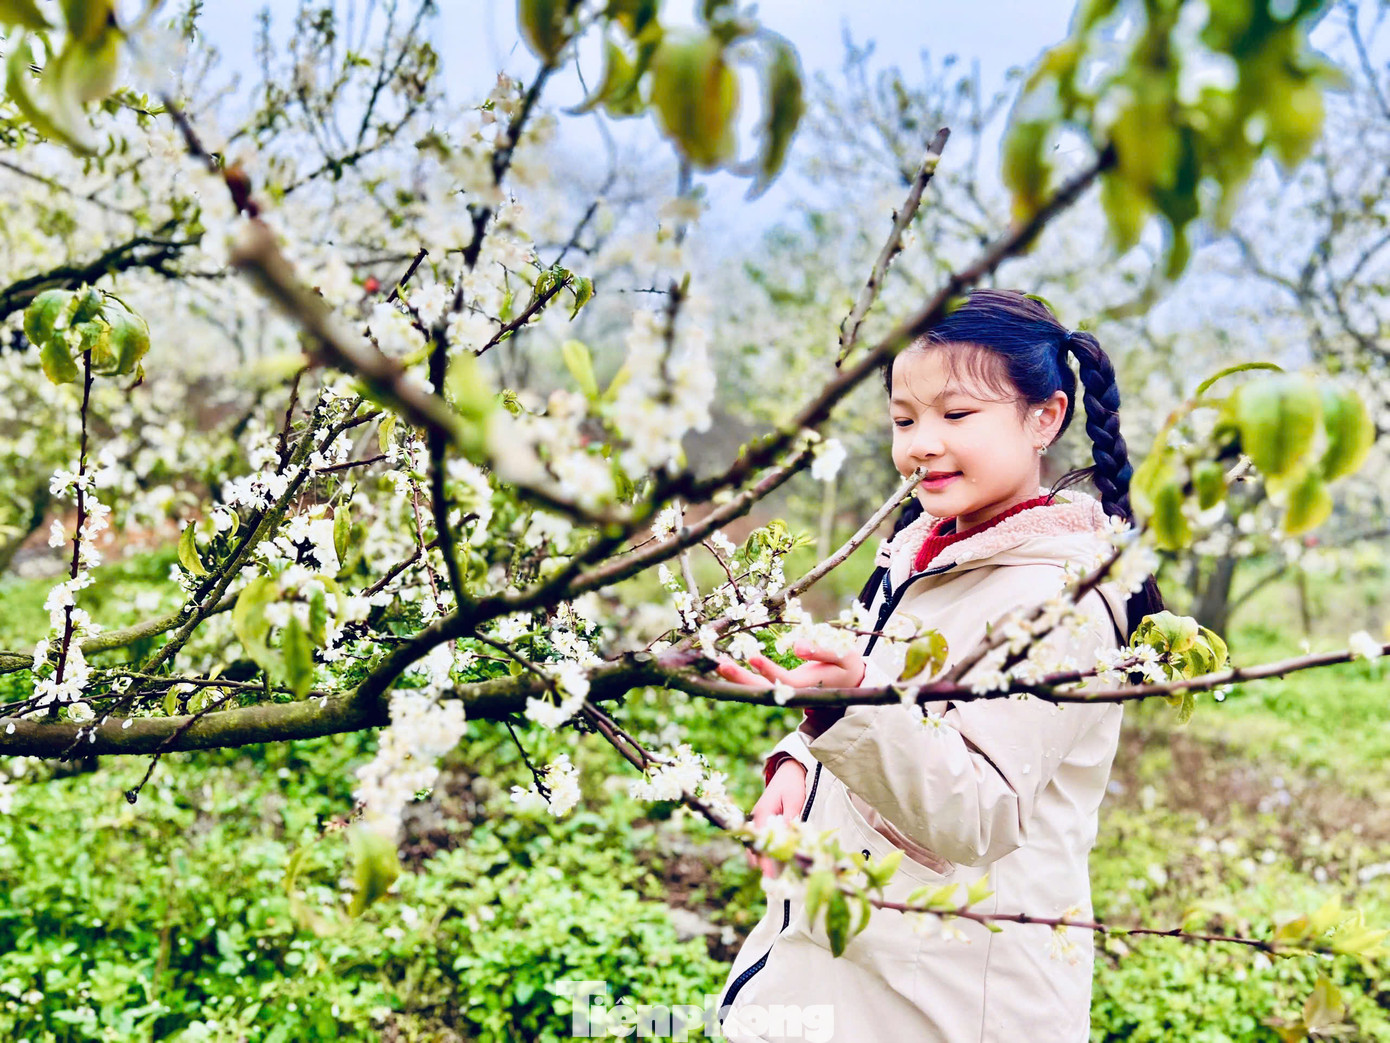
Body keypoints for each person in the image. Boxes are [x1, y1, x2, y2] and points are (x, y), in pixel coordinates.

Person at [712, 290, 1164, 1043]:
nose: (921, 442)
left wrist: (848, 707)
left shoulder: (1063, 596)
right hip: (854, 960)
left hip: (957, 998)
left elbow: (978, 807)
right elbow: (892, 701)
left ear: (1045, 418)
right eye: (903, 419)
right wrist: (799, 759)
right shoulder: (924, 547)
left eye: (956, 416)